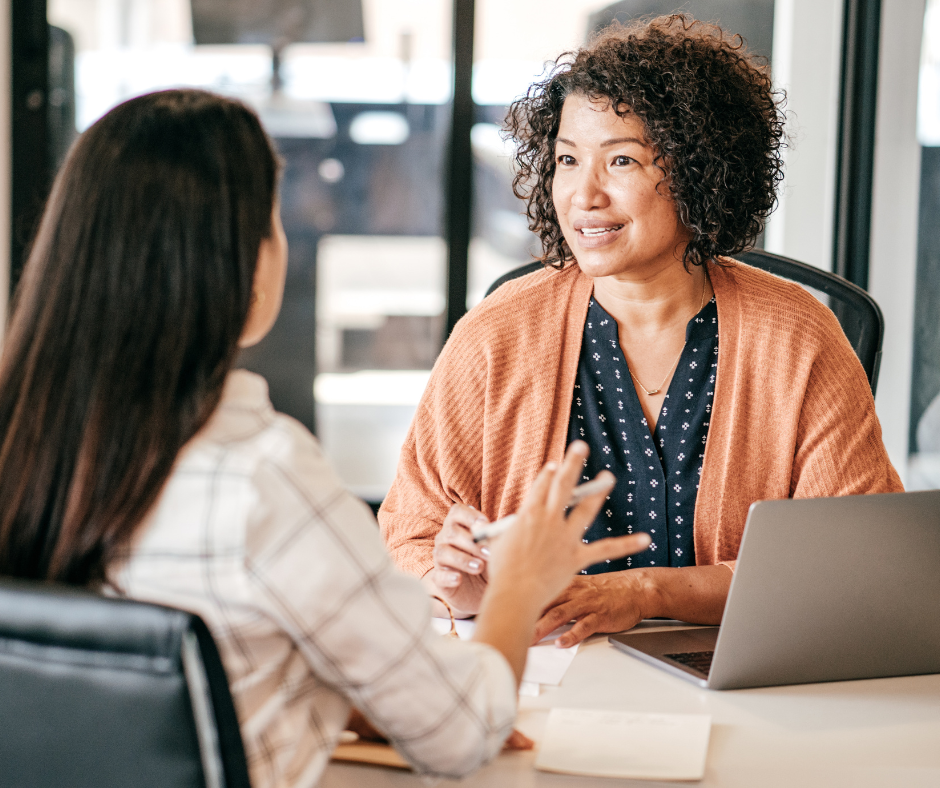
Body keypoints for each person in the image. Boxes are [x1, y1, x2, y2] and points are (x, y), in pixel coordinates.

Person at [0, 89, 651, 787]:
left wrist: (346, 696)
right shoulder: (262, 478)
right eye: (274, 221)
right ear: (244, 265)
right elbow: (461, 733)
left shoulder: (28, 449)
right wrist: (519, 586)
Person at [379, 15, 902, 648]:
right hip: (537, 667)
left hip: (731, 674)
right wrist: (454, 584)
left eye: (620, 159)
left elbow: (848, 561)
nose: (584, 194)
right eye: (568, 160)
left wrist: (649, 592)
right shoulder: (497, 333)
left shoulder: (796, 335)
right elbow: (411, 534)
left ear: (698, 169)